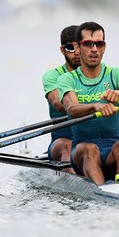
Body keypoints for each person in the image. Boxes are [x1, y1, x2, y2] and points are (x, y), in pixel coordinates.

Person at [57, 21, 119, 185]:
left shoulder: (116, 73)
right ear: (78, 48)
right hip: (82, 152)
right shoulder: (67, 79)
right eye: (88, 44)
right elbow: (71, 109)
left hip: (111, 151)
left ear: (104, 47)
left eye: (99, 44)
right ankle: (103, 191)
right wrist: (95, 106)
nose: (94, 49)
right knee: (90, 149)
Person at [42, 25, 80, 173]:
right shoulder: (52, 76)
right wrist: (94, 105)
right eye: (71, 47)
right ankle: (78, 183)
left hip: (93, 141)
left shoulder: (99, 75)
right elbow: (58, 103)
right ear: (62, 50)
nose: (76, 52)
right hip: (62, 140)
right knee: (68, 146)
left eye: (79, 46)